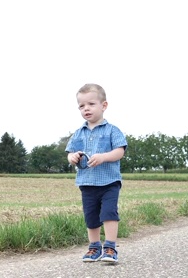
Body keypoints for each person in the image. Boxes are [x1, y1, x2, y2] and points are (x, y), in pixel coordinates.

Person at [66, 83, 127, 263]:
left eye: (91, 104)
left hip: (109, 182)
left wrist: (103, 157)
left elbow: (120, 151)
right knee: (91, 216)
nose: (86, 109)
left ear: (104, 106)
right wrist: (72, 157)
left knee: (108, 213)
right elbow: (70, 153)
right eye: (82, 106)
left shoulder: (112, 130)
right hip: (87, 183)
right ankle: (94, 248)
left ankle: (109, 248)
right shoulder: (78, 133)